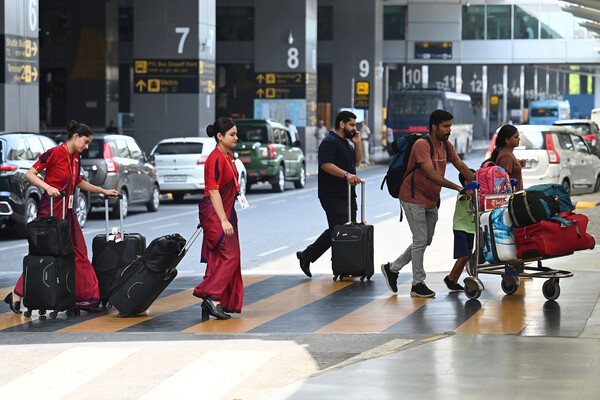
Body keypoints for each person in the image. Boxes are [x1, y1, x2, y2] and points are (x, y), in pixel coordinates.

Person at [4, 120, 119, 314]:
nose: (87, 146)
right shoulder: (54, 153)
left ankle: (85, 297)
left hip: (67, 212)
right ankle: (16, 294)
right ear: (76, 137)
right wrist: (48, 187)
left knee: (78, 252)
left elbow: (78, 181)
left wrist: (102, 191)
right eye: (86, 142)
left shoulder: (75, 157)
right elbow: (31, 174)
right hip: (50, 211)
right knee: (45, 255)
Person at [381, 109, 476, 298]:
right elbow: (431, 174)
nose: (449, 130)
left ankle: (393, 268)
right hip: (412, 196)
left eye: (450, 126)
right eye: (445, 126)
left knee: (426, 240)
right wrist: (458, 188)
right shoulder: (422, 145)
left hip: (431, 199)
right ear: (434, 127)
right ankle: (418, 284)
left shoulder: (446, 145)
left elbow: (461, 166)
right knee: (420, 239)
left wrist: (480, 182)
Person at [296, 110, 362, 277]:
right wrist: (346, 175)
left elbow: (357, 162)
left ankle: (344, 265)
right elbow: (326, 164)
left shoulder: (347, 144)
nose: (355, 128)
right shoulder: (329, 142)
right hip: (332, 194)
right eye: (352, 125)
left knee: (347, 230)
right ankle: (311, 256)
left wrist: (358, 143)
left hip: (348, 194)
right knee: (339, 229)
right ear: (342, 124)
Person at [193, 118, 244, 320]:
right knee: (231, 256)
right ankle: (210, 296)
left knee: (218, 258)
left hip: (226, 210)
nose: (236, 137)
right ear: (220, 136)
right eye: (232, 134)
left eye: (236, 134)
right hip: (217, 213)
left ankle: (214, 302)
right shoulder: (215, 158)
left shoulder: (228, 155)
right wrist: (223, 220)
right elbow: (213, 191)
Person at [445, 169, 477, 292]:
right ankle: (450, 278)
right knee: (464, 255)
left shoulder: (475, 194)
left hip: (470, 228)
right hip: (460, 228)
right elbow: (465, 196)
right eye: (473, 179)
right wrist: (469, 192)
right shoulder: (462, 193)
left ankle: (453, 280)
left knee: (467, 256)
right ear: (466, 182)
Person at [488, 124, 526, 191]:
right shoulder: (506, 156)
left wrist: (517, 165)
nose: (519, 139)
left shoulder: (507, 153)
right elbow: (503, 180)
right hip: (511, 195)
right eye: (516, 137)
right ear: (507, 140)